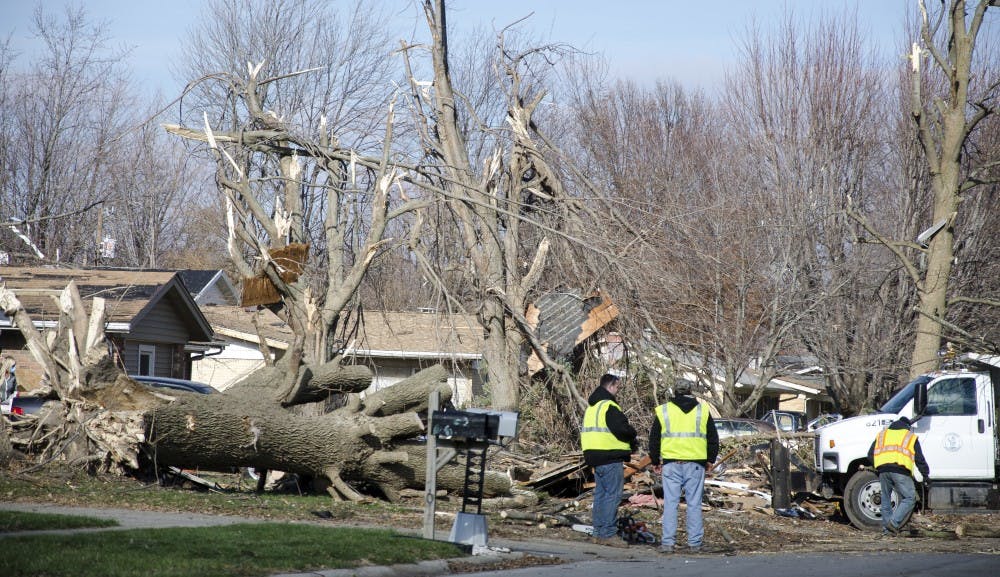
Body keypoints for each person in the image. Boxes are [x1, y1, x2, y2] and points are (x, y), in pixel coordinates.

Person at [649, 382, 719, 554]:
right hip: (695, 463)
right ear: (690, 392)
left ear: (675, 391)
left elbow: (655, 438)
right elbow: (712, 437)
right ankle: (694, 544)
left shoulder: (664, 410)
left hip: (671, 463)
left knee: (671, 503)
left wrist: (655, 460)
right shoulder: (702, 410)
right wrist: (710, 459)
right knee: (694, 504)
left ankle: (667, 543)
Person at [580, 373, 637, 547]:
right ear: (611, 386)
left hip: (594, 457)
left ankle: (598, 532)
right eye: (617, 387)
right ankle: (608, 533)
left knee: (601, 495)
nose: (617, 391)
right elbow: (622, 429)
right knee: (613, 495)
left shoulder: (592, 408)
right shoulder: (609, 406)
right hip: (610, 456)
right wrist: (632, 433)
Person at [867, 416, 930, 537]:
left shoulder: (882, 435)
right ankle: (893, 523)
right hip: (900, 471)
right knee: (910, 498)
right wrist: (925, 475)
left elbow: (870, 454)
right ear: (907, 426)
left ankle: (887, 531)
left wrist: (879, 466)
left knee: (885, 500)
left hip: (883, 471)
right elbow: (919, 459)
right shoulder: (909, 436)